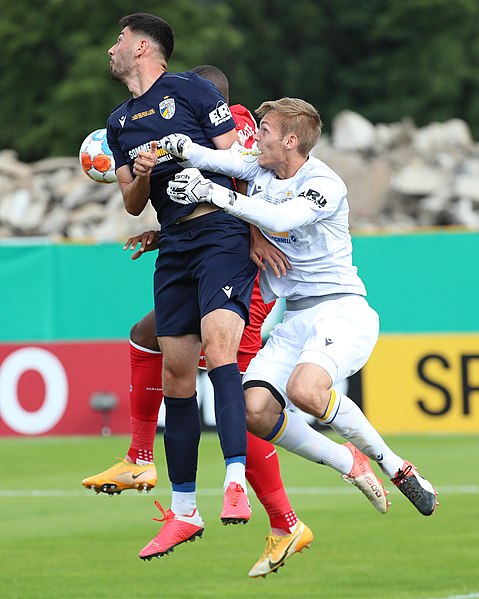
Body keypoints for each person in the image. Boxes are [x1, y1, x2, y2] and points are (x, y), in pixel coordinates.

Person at [82, 64, 315, 577]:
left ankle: (281, 512)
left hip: (241, 261)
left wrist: (254, 233)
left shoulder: (233, 121)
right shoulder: (160, 121)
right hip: (193, 246)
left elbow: (249, 178)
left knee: (236, 384)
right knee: (155, 344)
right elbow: (195, 192)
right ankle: (155, 470)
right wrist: (160, 231)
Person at [158, 97, 438, 518]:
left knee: (306, 392)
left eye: (265, 130)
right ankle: (348, 461)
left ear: (290, 140)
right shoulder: (261, 166)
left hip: (341, 311)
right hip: (295, 319)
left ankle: (394, 466)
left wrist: (212, 194)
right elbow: (223, 160)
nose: (256, 137)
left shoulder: (325, 183)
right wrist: (183, 148)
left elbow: (282, 218)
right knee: (253, 411)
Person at [104, 12, 258, 561]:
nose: (110, 49)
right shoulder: (118, 124)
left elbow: (243, 162)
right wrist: (144, 171)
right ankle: (185, 512)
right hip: (173, 243)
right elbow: (130, 201)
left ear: (143, 47)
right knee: (175, 374)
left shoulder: (192, 89)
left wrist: (256, 227)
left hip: (219, 231)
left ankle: (235, 482)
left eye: (118, 40)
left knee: (220, 351)